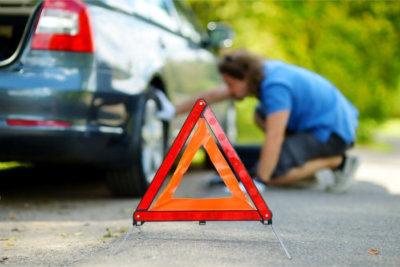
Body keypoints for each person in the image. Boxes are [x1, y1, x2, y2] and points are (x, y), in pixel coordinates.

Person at [157, 49, 360, 193]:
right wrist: (173, 111)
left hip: (333, 132)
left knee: (274, 175)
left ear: (246, 77)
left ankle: (338, 162)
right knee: (259, 113)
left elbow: (274, 136)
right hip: (318, 125)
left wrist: (259, 181)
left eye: (231, 84)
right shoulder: (262, 73)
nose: (229, 90)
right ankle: (303, 168)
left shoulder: (275, 87)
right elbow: (214, 94)